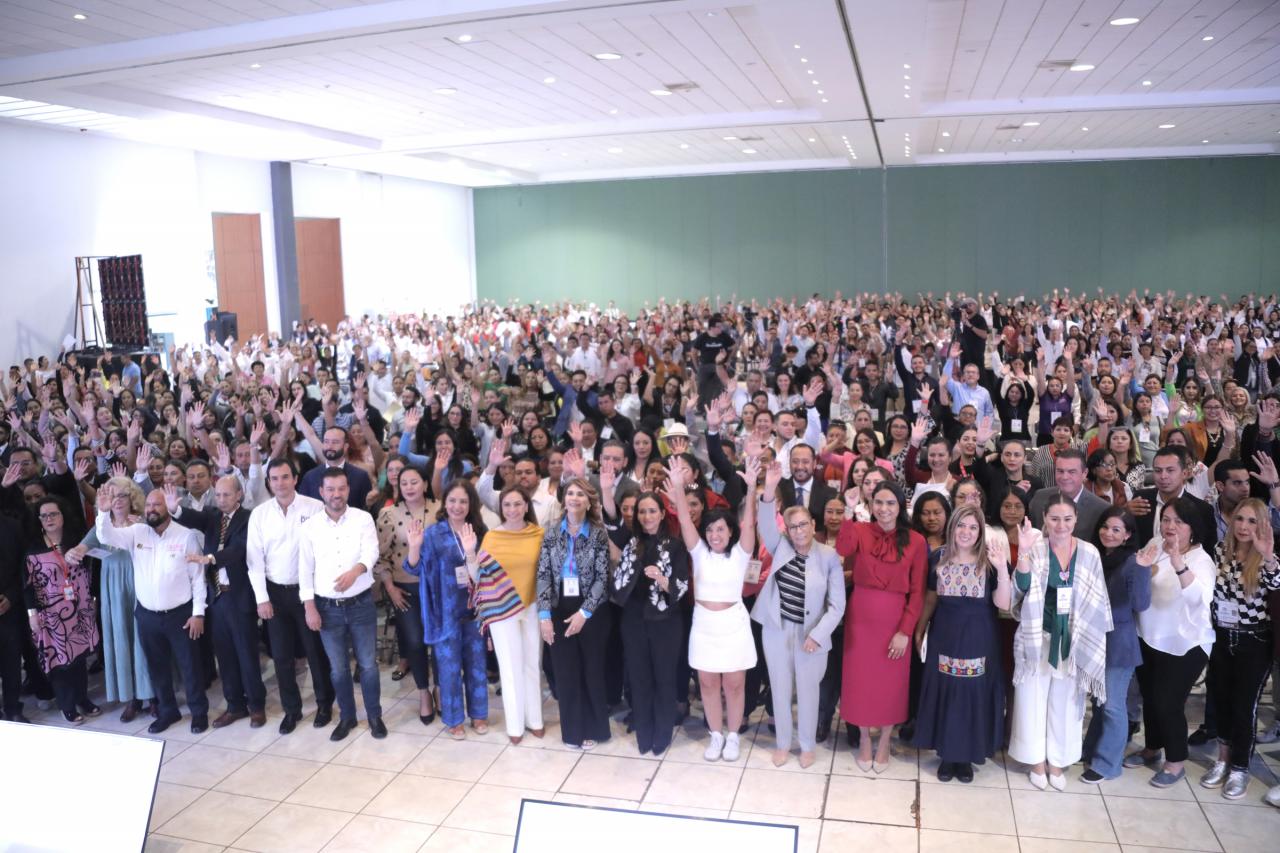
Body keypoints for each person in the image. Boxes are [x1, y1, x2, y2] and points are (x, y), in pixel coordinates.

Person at [1008, 493, 1112, 791]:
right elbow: (1021, 589)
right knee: (1031, 698)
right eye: (1054, 519)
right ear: (1044, 519)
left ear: (1076, 519)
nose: (1061, 525)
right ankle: (1035, 761)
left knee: (1066, 702)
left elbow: (1097, 599)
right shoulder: (1036, 548)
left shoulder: (1089, 552)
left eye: (1067, 519)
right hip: (1037, 636)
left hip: (1074, 638)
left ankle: (1058, 760)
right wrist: (1023, 553)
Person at [94, 482, 210, 734]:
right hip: (147, 615)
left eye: (157, 504)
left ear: (168, 507)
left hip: (181, 615)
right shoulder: (137, 532)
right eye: (148, 505)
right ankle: (168, 711)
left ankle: (199, 713)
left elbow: (198, 578)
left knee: (190, 666)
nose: (151, 509)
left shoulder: (185, 535)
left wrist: (198, 613)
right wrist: (103, 513)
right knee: (157, 667)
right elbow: (106, 537)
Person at [755, 461, 846, 768]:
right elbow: (766, 522)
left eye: (803, 524)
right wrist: (770, 487)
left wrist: (817, 636)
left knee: (808, 691)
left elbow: (837, 606)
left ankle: (807, 745)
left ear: (813, 524)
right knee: (780, 688)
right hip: (777, 630)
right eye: (793, 526)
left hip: (811, 634)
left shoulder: (828, 557)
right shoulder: (780, 546)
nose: (799, 531)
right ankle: (783, 743)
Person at [912, 505, 1011, 783]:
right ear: (952, 527)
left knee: (972, 693)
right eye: (961, 525)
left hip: (979, 638)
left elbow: (1003, 603)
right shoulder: (938, 557)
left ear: (980, 532)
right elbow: (931, 597)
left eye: (973, 527)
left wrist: (1003, 568)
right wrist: (920, 628)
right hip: (944, 635)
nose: (966, 532)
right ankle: (947, 754)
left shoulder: (991, 560)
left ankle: (966, 756)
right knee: (946, 691)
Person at [835, 480, 927, 771]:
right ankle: (864, 738)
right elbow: (842, 547)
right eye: (878, 502)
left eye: (890, 503)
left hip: (895, 619)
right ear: (871, 505)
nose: (884, 509)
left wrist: (905, 631)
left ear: (900, 507)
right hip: (860, 617)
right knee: (859, 680)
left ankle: (885, 739)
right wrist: (848, 511)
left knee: (891, 683)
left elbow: (918, 591)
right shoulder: (860, 530)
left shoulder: (916, 541)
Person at [671, 456, 758, 760]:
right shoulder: (699, 553)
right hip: (704, 625)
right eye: (710, 530)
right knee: (707, 683)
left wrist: (752, 488)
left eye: (720, 529)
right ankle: (716, 735)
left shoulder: (741, 554)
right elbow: (684, 520)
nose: (715, 535)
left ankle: (733, 736)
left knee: (734, 684)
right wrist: (679, 488)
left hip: (733, 624)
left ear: (731, 532)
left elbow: (750, 522)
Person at [1126, 497, 1216, 786]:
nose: (1170, 526)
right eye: (1166, 519)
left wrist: (1178, 563)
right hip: (1149, 635)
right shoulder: (1155, 543)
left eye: (1179, 521)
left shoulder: (1201, 560)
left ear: (1193, 527)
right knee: (1151, 698)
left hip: (1185, 643)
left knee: (1168, 702)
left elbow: (1199, 599)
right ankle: (1152, 747)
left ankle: (1176, 762)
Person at [246, 457, 334, 734]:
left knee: (315, 653)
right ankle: (291, 710)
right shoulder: (260, 514)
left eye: (285, 477)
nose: (280, 483)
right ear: (268, 483)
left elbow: (324, 552)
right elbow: (254, 560)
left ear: (295, 479)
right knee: (281, 656)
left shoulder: (315, 508)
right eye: (274, 479)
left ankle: (324, 704)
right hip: (275, 592)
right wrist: (262, 598)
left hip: (308, 593)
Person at [1200, 498, 1279, 798]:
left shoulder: (1266, 557)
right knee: (1220, 700)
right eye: (1240, 519)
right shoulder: (1221, 551)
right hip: (1222, 637)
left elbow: (1276, 583)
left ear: (1262, 526)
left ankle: (1240, 768)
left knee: (1244, 707)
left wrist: (1268, 556)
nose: (1244, 526)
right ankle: (1223, 759)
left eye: (1252, 521)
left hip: (1254, 641)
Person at [298, 468, 384, 742]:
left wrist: (356, 571)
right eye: (330, 489)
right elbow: (305, 569)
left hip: (360, 604)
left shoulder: (362, 518)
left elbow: (371, 551)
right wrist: (309, 607)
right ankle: (347, 716)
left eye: (341, 488)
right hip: (326, 607)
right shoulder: (310, 527)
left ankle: (374, 715)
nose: (336, 494)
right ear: (321, 492)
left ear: (348, 489)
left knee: (368, 665)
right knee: (338, 668)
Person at [608, 473, 690, 757]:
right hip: (634, 620)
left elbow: (681, 585)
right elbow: (611, 520)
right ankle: (644, 733)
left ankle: (662, 734)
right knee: (639, 677)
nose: (646, 517)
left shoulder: (675, 545)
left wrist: (662, 579)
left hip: (666, 622)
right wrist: (605, 488)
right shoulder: (631, 541)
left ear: (663, 513)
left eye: (652, 511)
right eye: (642, 512)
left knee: (664, 678)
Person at [404, 480, 489, 739]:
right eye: (452, 500)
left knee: (476, 664)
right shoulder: (433, 533)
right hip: (444, 610)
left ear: (471, 504)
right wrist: (414, 547)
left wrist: (471, 552)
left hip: (475, 609)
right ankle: (453, 719)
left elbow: (487, 572)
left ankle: (479, 714)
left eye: (463, 501)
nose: (457, 506)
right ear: (445, 503)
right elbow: (414, 569)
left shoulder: (480, 531)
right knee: (449, 668)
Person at [537, 478, 613, 750]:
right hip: (559, 607)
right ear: (564, 499)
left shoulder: (598, 534)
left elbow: (602, 578)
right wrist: (544, 616)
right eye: (570, 493)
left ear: (589, 501)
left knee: (591, 671)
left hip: (591, 610)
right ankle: (572, 732)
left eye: (580, 494)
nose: (574, 498)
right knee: (566, 673)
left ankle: (594, 729)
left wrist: (585, 613)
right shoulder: (550, 533)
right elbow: (543, 575)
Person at [1080, 507, 1151, 783]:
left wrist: (1143, 569)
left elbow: (1141, 603)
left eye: (1116, 529)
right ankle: (1091, 751)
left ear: (1127, 535)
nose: (1108, 533)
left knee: (1112, 705)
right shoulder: (1095, 556)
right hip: (1094, 639)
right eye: (1105, 527)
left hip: (1119, 644)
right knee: (1099, 702)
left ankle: (1108, 765)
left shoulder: (1133, 562)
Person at [74, 476, 154, 722]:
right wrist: (73, 552)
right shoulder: (101, 525)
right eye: (112, 496)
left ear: (132, 498)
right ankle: (132, 698)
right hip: (113, 589)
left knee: (143, 639)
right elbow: (82, 547)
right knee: (121, 639)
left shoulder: (141, 522)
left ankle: (153, 695)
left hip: (140, 583)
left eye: (122, 495)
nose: (117, 501)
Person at [479, 484, 547, 744]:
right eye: (507, 505)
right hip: (502, 607)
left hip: (532, 605)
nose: (512, 509)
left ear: (526, 506)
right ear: (501, 508)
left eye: (518, 504)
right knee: (510, 667)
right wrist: (471, 555)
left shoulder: (539, 534)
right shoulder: (492, 537)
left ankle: (535, 720)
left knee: (532, 664)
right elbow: (480, 577)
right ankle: (515, 726)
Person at [24, 496, 99, 724]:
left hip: (80, 609)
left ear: (63, 516)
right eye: (44, 516)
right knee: (59, 661)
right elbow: (27, 585)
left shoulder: (77, 541)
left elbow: (92, 571)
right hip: (51, 614)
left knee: (79, 657)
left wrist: (93, 599)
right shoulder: (33, 547)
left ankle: (82, 698)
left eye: (53, 514)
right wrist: (32, 614)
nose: (49, 519)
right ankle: (67, 705)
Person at [375, 465, 437, 726]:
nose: (409, 487)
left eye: (414, 482)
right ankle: (423, 692)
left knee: (439, 641)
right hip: (404, 588)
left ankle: (440, 688)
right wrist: (390, 587)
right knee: (414, 642)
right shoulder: (388, 514)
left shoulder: (440, 509)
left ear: (425, 483)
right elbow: (380, 556)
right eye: (404, 483)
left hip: (436, 588)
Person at [1028, 448, 1110, 539]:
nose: (1065, 477)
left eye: (1072, 472)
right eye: (1060, 471)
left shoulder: (1101, 509)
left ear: (1084, 473)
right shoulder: (1040, 498)